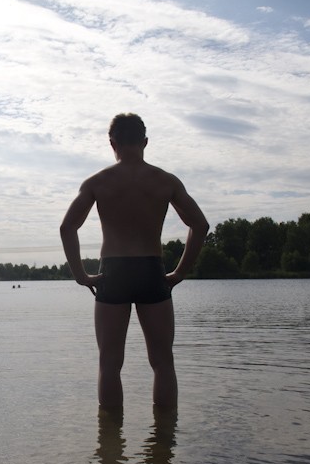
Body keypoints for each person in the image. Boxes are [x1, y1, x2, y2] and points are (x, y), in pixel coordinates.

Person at [60, 113, 208, 410]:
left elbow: (67, 228)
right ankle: (165, 442)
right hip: (151, 270)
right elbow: (200, 225)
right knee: (163, 362)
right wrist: (179, 272)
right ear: (145, 141)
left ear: (112, 142)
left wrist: (81, 275)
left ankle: (110, 447)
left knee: (110, 364)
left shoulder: (98, 182)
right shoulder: (165, 181)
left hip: (113, 273)